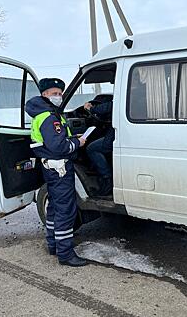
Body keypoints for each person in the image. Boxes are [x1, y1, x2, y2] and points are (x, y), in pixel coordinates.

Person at [25, 78, 88, 267]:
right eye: (55, 94)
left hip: (51, 168)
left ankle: (53, 244)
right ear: (44, 95)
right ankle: (66, 254)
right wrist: (78, 143)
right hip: (59, 168)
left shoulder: (46, 114)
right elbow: (58, 146)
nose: (58, 97)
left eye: (60, 93)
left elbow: (56, 139)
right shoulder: (49, 117)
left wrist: (71, 137)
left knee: (53, 208)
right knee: (65, 211)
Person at [84, 99, 114, 195]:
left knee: (92, 148)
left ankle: (107, 179)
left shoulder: (130, 93)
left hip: (118, 134)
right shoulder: (142, 92)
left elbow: (110, 106)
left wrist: (91, 108)